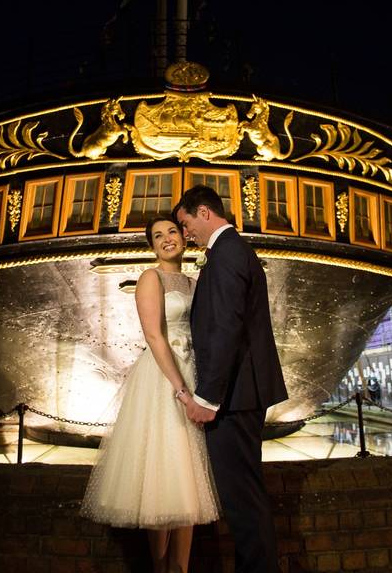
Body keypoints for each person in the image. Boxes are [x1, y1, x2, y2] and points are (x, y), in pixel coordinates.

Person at [81, 215, 219, 573]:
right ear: (152, 245)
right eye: (158, 236)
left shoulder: (192, 281)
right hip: (164, 380)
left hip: (193, 374)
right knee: (162, 471)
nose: (166, 239)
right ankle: (160, 568)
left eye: (171, 231)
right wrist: (180, 390)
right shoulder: (150, 278)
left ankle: (181, 568)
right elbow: (155, 336)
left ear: (183, 237)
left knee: (188, 476)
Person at [174, 185, 288, 573]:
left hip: (235, 397)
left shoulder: (225, 255)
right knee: (246, 499)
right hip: (243, 393)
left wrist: (207, 400)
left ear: (204, 212)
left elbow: (224, 329)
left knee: (242, 503)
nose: (185, 233)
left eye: (185, 224)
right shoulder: (231, 251)